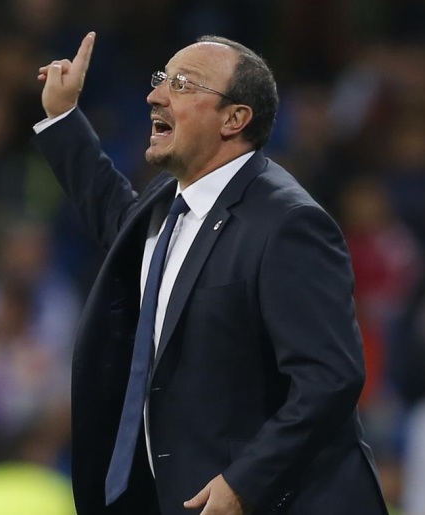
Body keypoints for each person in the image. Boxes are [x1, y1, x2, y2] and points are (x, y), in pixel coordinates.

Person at [33, 32, 388, 515]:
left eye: (182, 84)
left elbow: (331, 378)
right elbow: (115, 218)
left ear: (235, 119)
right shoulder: (170, 203)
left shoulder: (287, 223)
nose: (155, 95)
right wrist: (64, 117)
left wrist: (246, 482)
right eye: (161, 79)